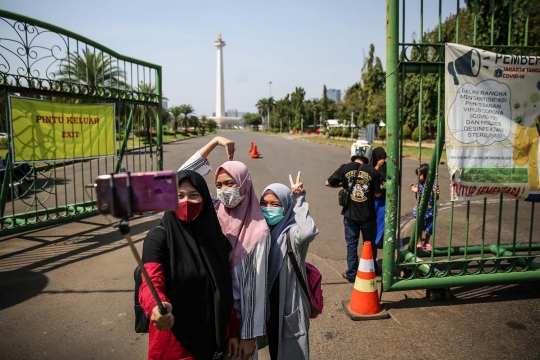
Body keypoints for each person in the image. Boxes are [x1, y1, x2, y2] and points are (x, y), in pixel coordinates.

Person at [179, 136, 270, 360]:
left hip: (239, 323)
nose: (224, 190)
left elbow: (254, 289)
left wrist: (248, 336)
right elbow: (181, 179)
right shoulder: (215, 211)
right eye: (219, 185)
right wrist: (213, 143)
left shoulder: (258, 231)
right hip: (212, 315)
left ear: (244, 184)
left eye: (230, 184)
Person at [139, 170, 238, 360]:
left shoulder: (217, 241)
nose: (186, 202)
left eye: (194, 195)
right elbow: (150, 281)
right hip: (174, 347)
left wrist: (233, 331)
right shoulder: (158, 238)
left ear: (204, 198)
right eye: (179, 196)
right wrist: (157, 307)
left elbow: (225, 290)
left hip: (215, 344)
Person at [260, 172, 319, 360]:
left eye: (275, 204)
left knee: (290, 353)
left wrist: (299, 199)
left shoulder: (292, 234)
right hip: (268, 306)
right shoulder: (261, 232)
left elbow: (307, 233)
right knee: (274, 351)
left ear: (286, 207)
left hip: (288, 305)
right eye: (265, 203)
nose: (268, 208)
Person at [325, 140, 382, 283]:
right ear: (368, 153)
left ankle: (351, 273)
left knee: (352, 244)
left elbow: (328, 182)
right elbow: (377, 195)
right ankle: (371, 269)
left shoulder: (345, 168)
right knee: (369, 243)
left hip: (350, 214)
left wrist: (344, 183)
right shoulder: (373, 172)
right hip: (368, 215)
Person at [409, 163, 439, 251]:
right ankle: (419, 243)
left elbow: (436, 198)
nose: (418, 176)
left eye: (420, 174)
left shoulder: (433, 185)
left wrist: (435, 193)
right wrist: (416, 192)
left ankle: (426, 242)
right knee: (419, 226)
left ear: (426, 174)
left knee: (430, 227)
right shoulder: (419, 185)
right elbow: (417, 199)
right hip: (420, 210)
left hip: (430, 210)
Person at [370, 147, 387, 248]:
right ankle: (372, 240)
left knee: (381, 220)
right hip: (372, 199)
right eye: (380, 158)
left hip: (382, 199)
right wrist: (377, 167)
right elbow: (369, 178)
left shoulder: (386, 167)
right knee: (372, 221)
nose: (382, 160)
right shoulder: (371, 167)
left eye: (384, 158)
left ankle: (378, 240)